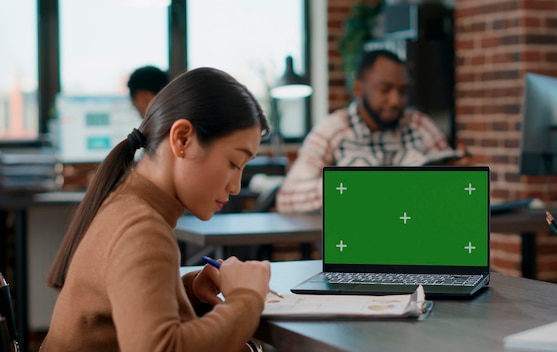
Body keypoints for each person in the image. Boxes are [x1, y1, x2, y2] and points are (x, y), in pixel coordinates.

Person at [42, 67, 271, 352]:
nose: (236, 186)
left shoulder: (125, 202)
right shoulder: (142, 228)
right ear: (182, 139)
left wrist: (186, 289)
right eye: (234, 163)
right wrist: (247, 298)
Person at [276, 49, 461, 214]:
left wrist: (460, 176)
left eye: (403, 91)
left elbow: (453, 189)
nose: (396, 100)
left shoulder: (419, 125)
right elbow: (287, 198)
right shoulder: (332, 131)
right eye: (385, 89)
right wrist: (347, 188)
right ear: (358, 89)